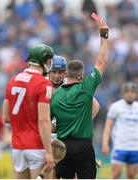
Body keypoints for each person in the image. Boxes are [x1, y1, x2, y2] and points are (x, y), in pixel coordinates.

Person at [50, 19, 109, 179]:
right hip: (83, 145)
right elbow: (102, 61)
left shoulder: (54, 96)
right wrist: (104, 34)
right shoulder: (86, 87)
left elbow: (48, 125)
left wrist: (61, 126)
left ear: (66, 74)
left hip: (62, 147)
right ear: (82, 76)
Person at [2, 44, 55, 179]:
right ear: (45, 61)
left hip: (17, 147)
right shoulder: (43, 83)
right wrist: (49, 152)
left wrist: (23, 121)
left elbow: (6, 117)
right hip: (36, 146)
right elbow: (44, 120)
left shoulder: (13, 80)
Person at [102, 82, 138, 179]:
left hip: (135, 147)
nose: (129, 94)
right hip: (120, 146)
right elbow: (108, 126)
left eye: (132, 92)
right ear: (123, 94)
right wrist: (105, 144)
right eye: (127, 92)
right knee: (115, 175)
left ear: (136, 94)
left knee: (131, 175)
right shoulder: (116, 107)